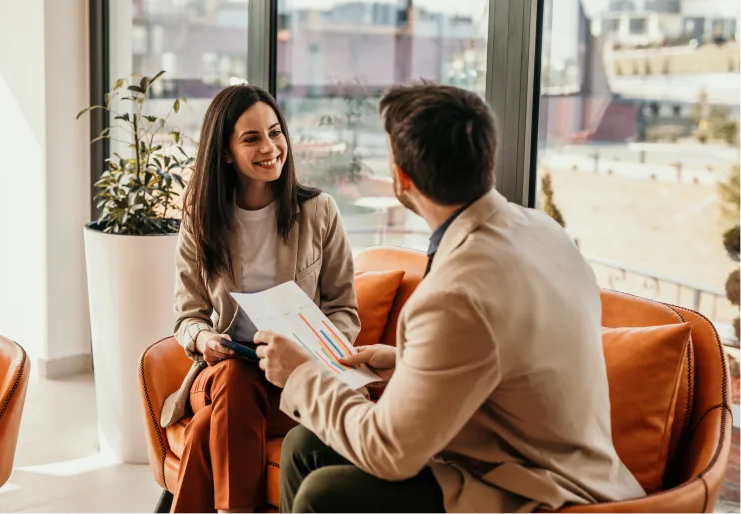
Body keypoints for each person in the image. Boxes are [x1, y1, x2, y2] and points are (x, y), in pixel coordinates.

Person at [253, 84, 646, 514]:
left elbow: (389, 452)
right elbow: (510, 350)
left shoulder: (455, 295)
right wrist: (406, 358)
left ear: (401, 178)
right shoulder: (543, 231)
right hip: (551, 461)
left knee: (323, 495)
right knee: (304, 444)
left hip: (538, 490)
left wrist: (302, 375)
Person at [161, 84, 361, 514]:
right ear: (227, 152)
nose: (270, 147)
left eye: (275, 132)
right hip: (222, 371)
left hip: (291, 375)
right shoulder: (201, 217)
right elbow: (187, 315)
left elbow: (344, 308)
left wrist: (311, 346)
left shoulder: (319, 211)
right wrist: (202, 340)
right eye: (251, 138)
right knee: (235, 377)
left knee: (204, 434)